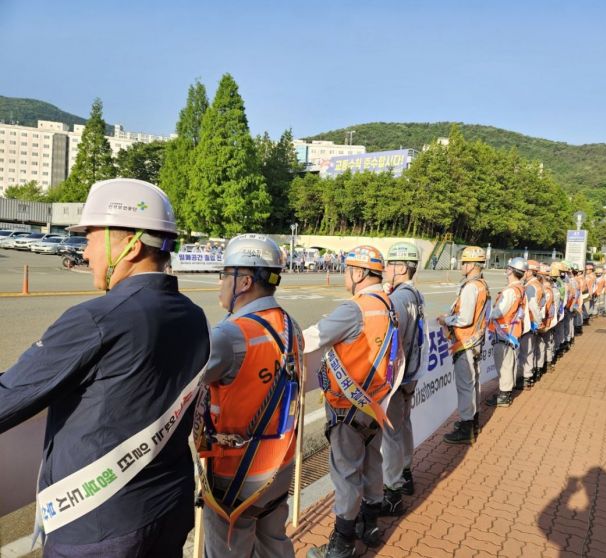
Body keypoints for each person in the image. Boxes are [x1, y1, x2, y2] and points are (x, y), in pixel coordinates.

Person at [0, 178, 210, 556]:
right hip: (167, 507)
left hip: (99, 526)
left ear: (127, 243)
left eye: (91, 237)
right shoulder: (194, 316)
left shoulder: (98, 318)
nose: (85, 253)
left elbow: (9, 397)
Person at [195, 234, 303, 557]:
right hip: (278, 467)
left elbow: (184, 379)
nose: (219, 282)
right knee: (274, 543)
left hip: (234, 479)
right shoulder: (290, 326)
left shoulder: (230, 335)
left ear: (243, 281)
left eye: (224, 274)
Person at [304, 245, 400, 558]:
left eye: (348, 269)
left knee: (345, 473)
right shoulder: (387, 303)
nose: (346, 275)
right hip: (375, 402)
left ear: (358, 273)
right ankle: (369, 526)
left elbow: (312, 338)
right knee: (373, 462)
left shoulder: (355, 307)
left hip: (348, 406)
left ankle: (342, 543)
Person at [380, 242, 425, 515]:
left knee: (391, 433)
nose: (385, 269)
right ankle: (406, 472)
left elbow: (389, 338)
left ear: (399, 268)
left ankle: (393, 489)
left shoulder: (398, 299)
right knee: (404, 424)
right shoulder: (415, 294)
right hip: (412, 372)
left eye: (388, 264)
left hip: (397, 375)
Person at [438, 246, 490, 444]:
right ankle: (472, 420)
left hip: (465, 341)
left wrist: (446, 320)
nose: (461, 265)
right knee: (473, 382)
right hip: (475, 340)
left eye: (463, 262)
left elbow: (465, 318)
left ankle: (467, 426)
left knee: (465, 385)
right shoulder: (482, 285)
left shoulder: (470, 287)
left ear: (471, 265)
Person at [486, 257, 527, 408]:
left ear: (511, 270)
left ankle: (504, 394)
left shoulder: (510, 291)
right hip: (512, 331)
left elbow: (499, 312)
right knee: (509, 363)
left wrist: (486, 313)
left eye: (508, 268)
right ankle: (506, 392)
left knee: (503, 364)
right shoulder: (520, 289)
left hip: (504, 332)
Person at [518, 260, 544, 389]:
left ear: (529, 272)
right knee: (530, 350)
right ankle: (529, 375)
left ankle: (525, 378)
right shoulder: (538, 284)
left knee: (525, 352)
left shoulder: (530, 287)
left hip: (529, 323)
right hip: (534, 322)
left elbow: (533, 307)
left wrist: (537, 323)